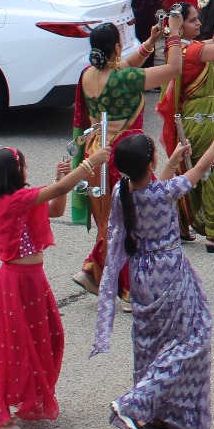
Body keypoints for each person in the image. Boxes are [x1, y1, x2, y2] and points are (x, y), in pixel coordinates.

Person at [90, 126, 214, 429]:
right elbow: (198, 171)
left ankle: (159, 417)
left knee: (151, 344)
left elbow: (153, 184)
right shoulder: (162, 192)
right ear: (151, 163)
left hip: (141, 274)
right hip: (168, 272)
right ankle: (136, 402)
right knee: (193, 337)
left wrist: (173, 160)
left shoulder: (122, 191)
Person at [0, 143, 112, 429]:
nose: (26, 169)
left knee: (46, 337)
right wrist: (89, 164)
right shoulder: (13, 201)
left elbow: (55, 209)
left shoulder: (20, 200)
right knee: (13, 346)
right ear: (13, 173)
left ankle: (27, 397)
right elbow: (58, 190)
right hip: (16, 283)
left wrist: (61, 180)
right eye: (23, 166)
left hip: (33, 280)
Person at [71, 23, 182, 297]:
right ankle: (129, 289)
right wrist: (174, 35)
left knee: (109, 220)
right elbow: (173, 69)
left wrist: (151, 41)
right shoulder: (124, 79)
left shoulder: (88, 74)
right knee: (132, 222)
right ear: (117, 47)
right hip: (122, 155)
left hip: (95, 154)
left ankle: (93, 270)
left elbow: (125, 65)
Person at [157, 1, 214, 252]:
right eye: (192, 20)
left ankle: (182, 228)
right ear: (180, 25)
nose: (198, 23)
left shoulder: (179, 48)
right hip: (204, 120)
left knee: (192, 172)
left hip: (193, 119)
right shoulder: (194, 52)